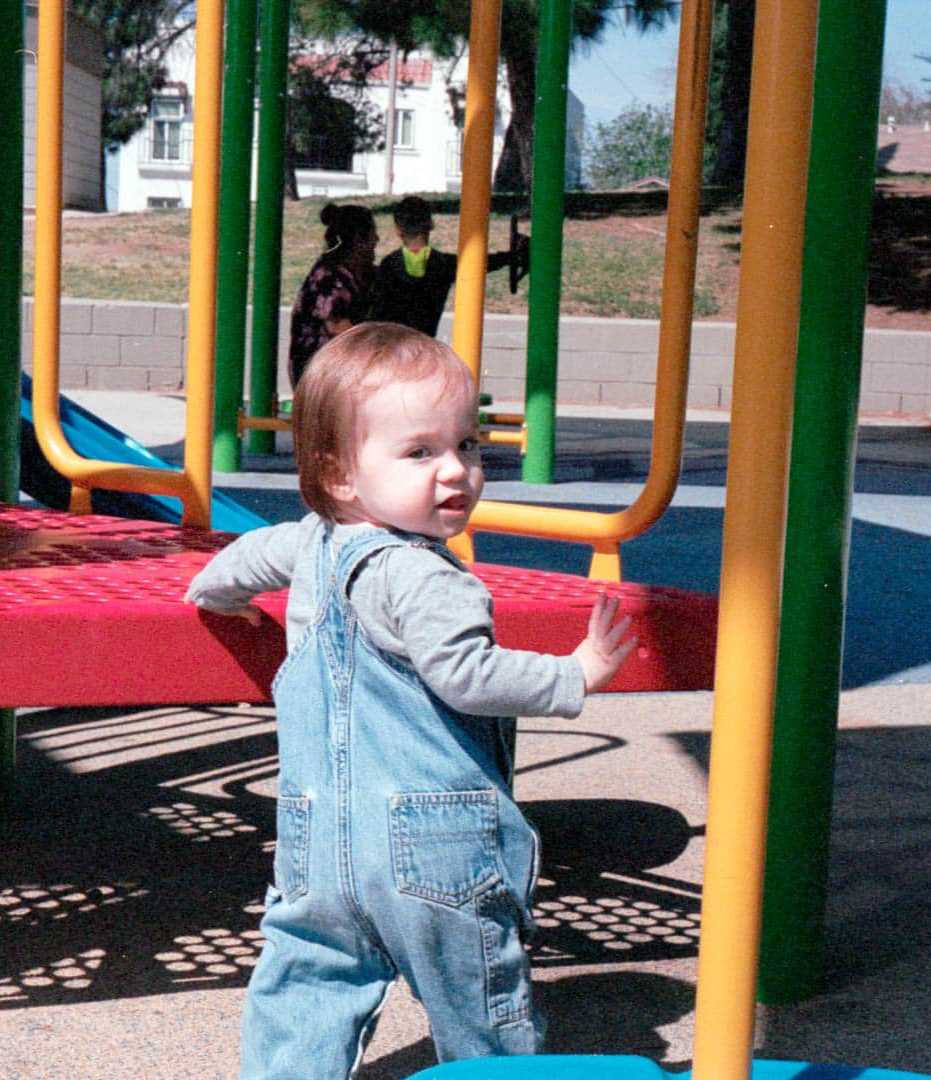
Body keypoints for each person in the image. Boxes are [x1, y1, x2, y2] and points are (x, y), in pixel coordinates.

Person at [184, 322, 636, 1077]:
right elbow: (468, 674)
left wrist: (210, 592)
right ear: (339, 476)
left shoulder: (309, 542)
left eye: (468, 445)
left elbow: (240, 560)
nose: (455, 471)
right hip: (432, 842)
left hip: (316, 842)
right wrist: (575, 673)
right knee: (475, 1000)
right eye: (420, 452)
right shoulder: (425, 575)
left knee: (307, 986)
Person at [370, 196, 528, 338]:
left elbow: (376, 312)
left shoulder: (388, 265)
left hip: (390, 348)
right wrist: (511, 256)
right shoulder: (442, 264)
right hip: (425, 350)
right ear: (431, 225)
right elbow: (480, 263)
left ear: (398, 231)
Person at [288, 203, 379, 387]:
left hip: (339, 365)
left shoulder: (360, 273)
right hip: (319, 372)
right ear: (358, 240)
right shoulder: (330, 277)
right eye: (372, 235)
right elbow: (338, 326)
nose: (377, 239)